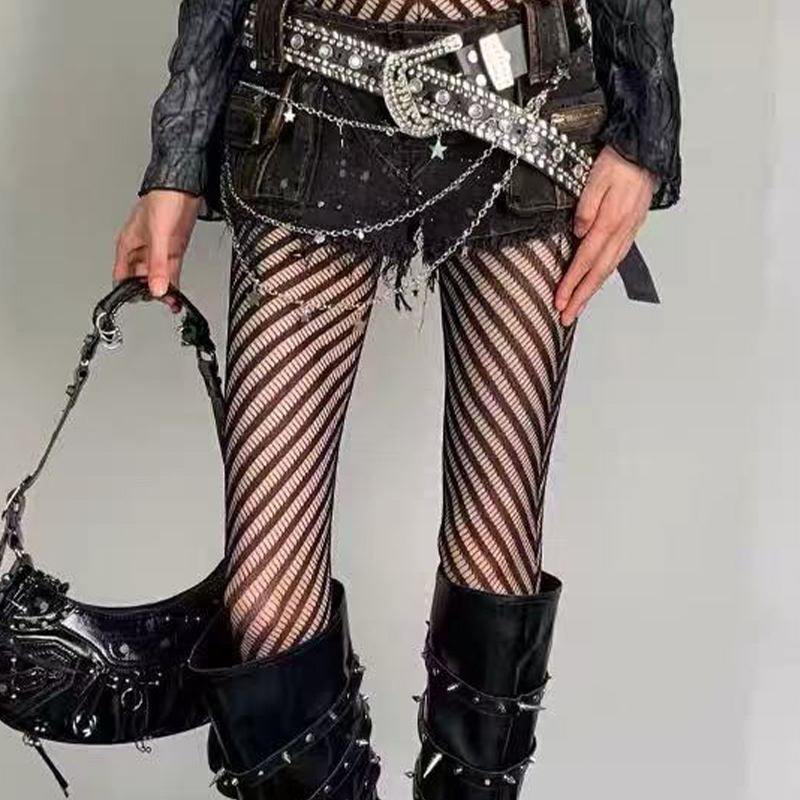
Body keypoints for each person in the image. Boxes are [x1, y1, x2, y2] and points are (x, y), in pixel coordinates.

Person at [113, 0, 681, 798]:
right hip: (306, 102)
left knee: (495, 552)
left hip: (523, 104)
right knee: (266, 599)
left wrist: (644, 132)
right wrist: (177, 154)